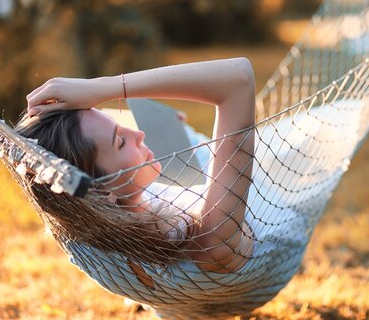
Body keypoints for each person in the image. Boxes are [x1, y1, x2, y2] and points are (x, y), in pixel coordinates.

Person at [16, 57, 256, 274]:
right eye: (120, 141)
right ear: (101, 193)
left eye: (118, 124)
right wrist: (102, 87)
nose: (139, 134)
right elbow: (240, 76)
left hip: (196, 159)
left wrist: (164, 126)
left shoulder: (99, 234)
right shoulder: (209, 238)